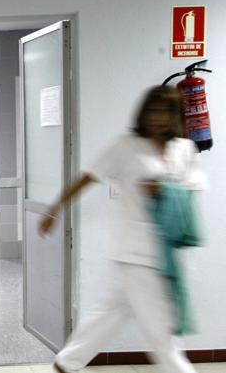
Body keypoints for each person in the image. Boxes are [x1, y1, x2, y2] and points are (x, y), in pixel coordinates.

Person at [39, 85, 207, 373]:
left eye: (165, 112)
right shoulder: (126, 146)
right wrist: (54, 209)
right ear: (143, 113)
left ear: (174, 116)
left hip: (168, 252)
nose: (157, 118)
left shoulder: (185, 149)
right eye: (152, 111)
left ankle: (67, 361)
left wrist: (164, 190)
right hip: (135, 253)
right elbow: (87, 177)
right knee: (164, 333)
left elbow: (193, 192)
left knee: (116, 309)